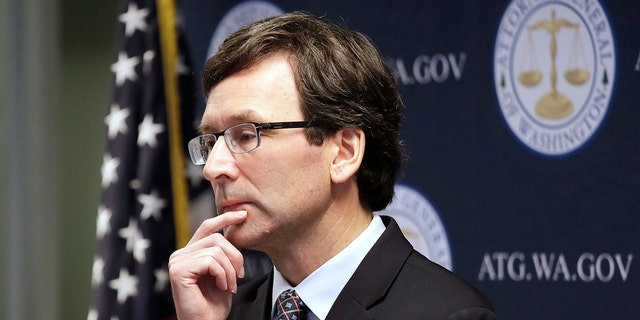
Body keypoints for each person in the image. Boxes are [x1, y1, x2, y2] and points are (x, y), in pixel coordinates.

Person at [169, 12, 498, 320]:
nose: (213, 168)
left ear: (343, 152)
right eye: (211, 141)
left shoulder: (448, 315)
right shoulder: (223, 312)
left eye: (246, 135)